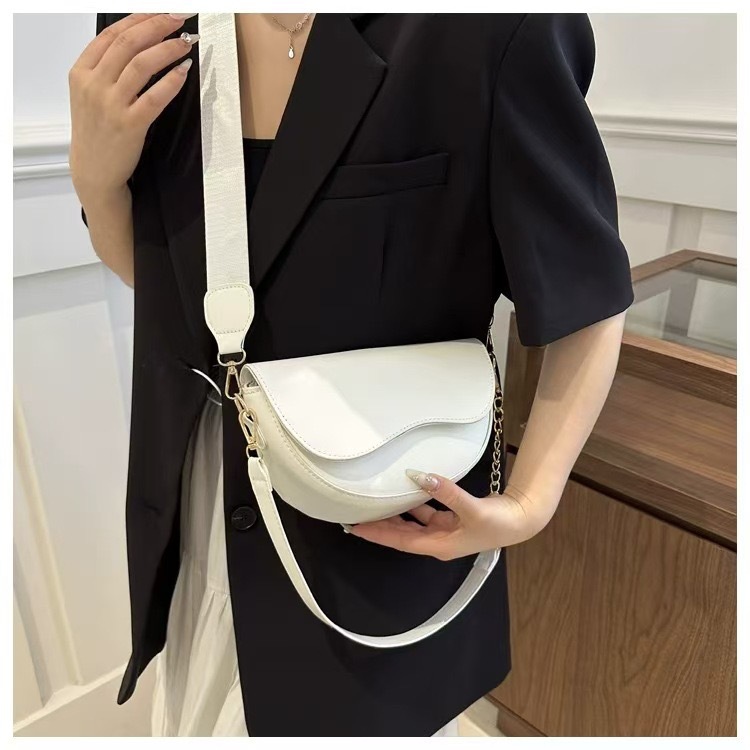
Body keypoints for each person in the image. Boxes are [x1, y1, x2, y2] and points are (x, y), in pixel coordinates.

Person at [69, 12, 635, 737]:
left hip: (368, 536)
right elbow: (170, 291)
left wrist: (531, 502)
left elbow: (585, 296)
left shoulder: (491, 27)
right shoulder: (154, 26)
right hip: (198, 512)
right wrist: (97, 178)